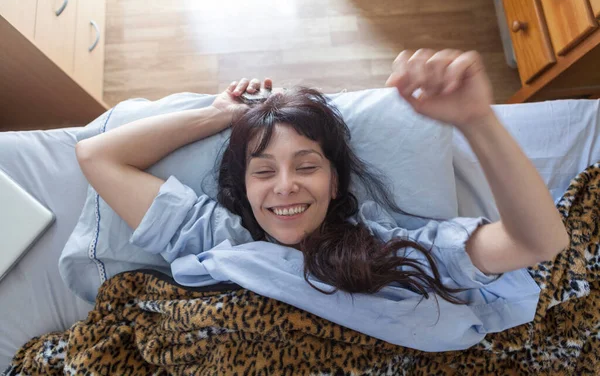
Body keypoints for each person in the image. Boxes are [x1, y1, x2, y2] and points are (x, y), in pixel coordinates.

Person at [75, 49, 569, 350]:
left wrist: (474, 120)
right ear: (243, 189)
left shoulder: (392, 249)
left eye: (307, 166)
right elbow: (97, 155)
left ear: (336, 183)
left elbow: (537, 241)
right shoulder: (213, 236)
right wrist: (217, 116)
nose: (286, 185)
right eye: (264, 171)